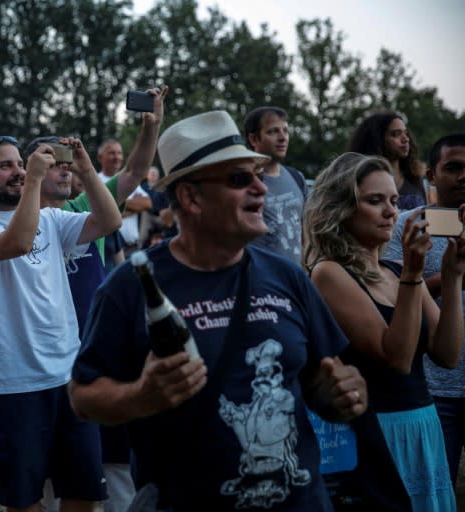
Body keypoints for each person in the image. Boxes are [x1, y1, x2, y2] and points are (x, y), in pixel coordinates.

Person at [69, 110, 367, 511]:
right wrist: (141, 396)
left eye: (258, 175)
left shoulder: (289, 277)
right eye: (241, 179)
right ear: (191, 198)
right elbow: (84, 396)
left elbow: (319, 378)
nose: (261, 188)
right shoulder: (131, 288)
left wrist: (341, 393)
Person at [0, 134, 121, 511]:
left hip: (68, 377)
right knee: (25, 500)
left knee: (82, 495)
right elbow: (18, 242)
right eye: (6, 165)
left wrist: (85, 168)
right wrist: (32, 179)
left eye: (19, 163)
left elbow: (109, 221)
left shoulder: (51, 218)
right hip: (15, 384)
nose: (16, 171)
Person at [31, 86, 169, 512]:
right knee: (51, 471)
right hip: (42, 356)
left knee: (112, 459)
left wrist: (151, 126)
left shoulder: (85, 206)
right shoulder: (14, 223)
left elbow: (133, 171)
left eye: (68, 165)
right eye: (52, 163)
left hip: (95, 347)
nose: (64, 171)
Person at [304, 152, 462, 510]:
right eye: (375, 201)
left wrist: (453, 277)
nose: (392, 211)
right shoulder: (329, 273)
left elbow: (448, 354)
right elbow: (398, 358)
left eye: (393, 200)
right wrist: (413, 273)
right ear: (341, 207)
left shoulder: (394, 271)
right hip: (379, 431)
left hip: (424, 424)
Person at [384, 133, 465, 490]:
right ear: (431, 176)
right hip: (436, 387)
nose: (463, 176)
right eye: (453, 168)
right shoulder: (405, 225)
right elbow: (388, 294)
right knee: (434, 489)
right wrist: (450, 277)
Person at [244, 106, 307, 263]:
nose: (282, 137)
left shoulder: (297, 177)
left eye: (285, 131)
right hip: (261, 281)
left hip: (297, 280)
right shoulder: (243, 183)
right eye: (273, 131)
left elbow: (308, 234)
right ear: (253, 139)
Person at [348, 112, 424, 210]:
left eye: (406, 133)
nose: (405, 139)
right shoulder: (358, 182)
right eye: (396, 134)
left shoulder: (415, 179)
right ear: (377, 140)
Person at [97, 139, 152, 256]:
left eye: (119, 153)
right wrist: (132, 206)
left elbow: (147, 203)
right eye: (111, 153)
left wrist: (112, 206)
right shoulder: (95, 182)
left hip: (133, 248)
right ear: (100, 157)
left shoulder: (129, 181)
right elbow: (97, 213)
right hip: (108, 253)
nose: (117, 157)